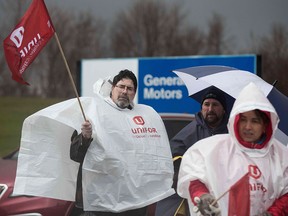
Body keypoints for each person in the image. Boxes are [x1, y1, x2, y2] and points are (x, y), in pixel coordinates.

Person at [70, 69, 174, 215]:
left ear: (134, 93)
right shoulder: (93, 113)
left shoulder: (147, 116)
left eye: (130, 88)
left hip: (135, 202)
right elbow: (75, 155)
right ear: (112, 88)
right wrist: (85, 138)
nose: (125, 91)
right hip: (102, 202)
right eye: (121, 86)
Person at [177, 82, 288, 215]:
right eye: (243, 120)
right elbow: (193, 178)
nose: (247, 127)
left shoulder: (281, 156)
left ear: (265, 125)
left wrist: (272, 213)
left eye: (255, 121)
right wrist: (202, 196)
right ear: (235, 120)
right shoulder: (212, 149)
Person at [155, 86, 229, 216]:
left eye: (215, 105)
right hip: (197, 194)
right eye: (206, 104)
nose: (210, 109)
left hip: (224, 192)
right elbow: (174, 156)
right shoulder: (191, 131)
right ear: (201, 108)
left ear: (223, 110)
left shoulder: (231, 133)